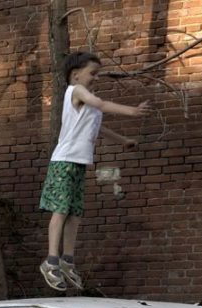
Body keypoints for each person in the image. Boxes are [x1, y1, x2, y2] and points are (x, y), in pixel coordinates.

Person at [38, 51, 151, 291]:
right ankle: (51, 260)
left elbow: (99, 127)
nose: (96, 78)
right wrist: (132, 111)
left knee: (75, 212)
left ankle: (67, 260)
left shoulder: (88, 103)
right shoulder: (76, 91)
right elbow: (100, 104)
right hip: (64, 162)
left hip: (79, 163)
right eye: (93, 73)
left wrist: (123, 140)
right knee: (60, 210)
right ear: (75, 74)